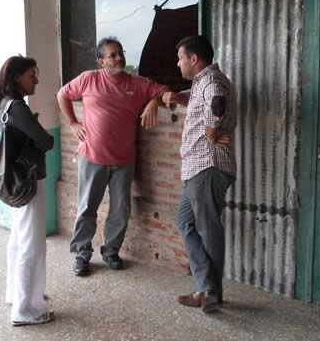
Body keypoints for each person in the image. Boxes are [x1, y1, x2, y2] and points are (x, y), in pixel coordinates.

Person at [57, 37, 169, 276]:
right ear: (101, 62)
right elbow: (62, 95)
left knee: (120, 208)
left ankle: (111, 251)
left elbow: (164, 91)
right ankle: (82, 253)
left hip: (124, 160)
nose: (119, 58)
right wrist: (73, 123)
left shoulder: (137, 83)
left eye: (121, 53)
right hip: (92, 156)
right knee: (87, 208)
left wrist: (153, 103)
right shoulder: (89, 78)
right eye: (113, 55)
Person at [162, 35, 237, 313]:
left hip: (207, 167)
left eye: (180, 57)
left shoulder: (211, 82)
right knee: (186, 223)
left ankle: (210, 291)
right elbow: (206, 103)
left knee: (207, 230)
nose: (177, 62)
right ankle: (206, 286)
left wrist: (210, 132)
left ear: (194, 59)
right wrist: (179, 98)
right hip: (198, 169)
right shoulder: (202, 82)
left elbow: (216, 104)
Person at [0, 55, 55, 326]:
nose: (37, 79)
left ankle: (17, 295)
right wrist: (40, 134)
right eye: (32, 74)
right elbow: (46, 141)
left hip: (17, 182)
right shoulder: (18, 107)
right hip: (29, 182)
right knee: (32, 245)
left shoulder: (4, 104)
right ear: (17, 77)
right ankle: (26, 310)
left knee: (19, 241)